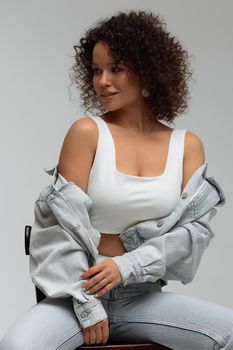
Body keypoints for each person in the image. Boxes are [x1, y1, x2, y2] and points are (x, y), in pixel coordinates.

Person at [1, 9, 233, 350]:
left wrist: (127, 266)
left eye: (116, 69)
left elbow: (191, 238)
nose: (102, 81)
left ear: (148, 72)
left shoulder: (187, 146)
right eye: (96, 71)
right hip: (76, 295)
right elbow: (57, 230)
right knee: (18, 346)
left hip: (142, 297)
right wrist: (85, 303)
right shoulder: (87, 133)